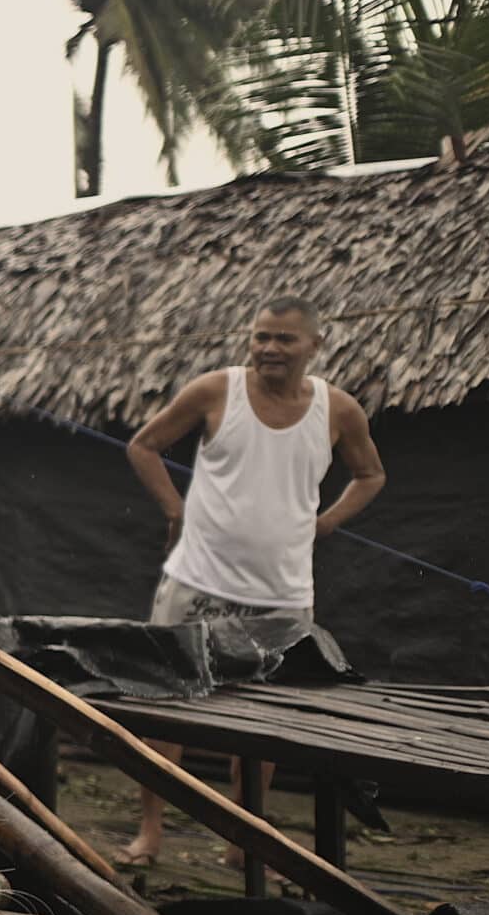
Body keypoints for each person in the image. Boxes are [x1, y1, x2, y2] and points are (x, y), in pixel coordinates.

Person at [118, 295, 385, 863]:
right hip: (197, 580)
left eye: (284, 339)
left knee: (263, 723)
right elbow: (144, 446)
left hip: (281, 595)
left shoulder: (338, 411)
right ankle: (151, 832)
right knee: (168, 708)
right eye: (261, 336)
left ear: (315, 344)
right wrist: (175, 510)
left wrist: (327, 522)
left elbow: (370, 475)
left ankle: (243, 837)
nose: (268, 348)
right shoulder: (217, 390)